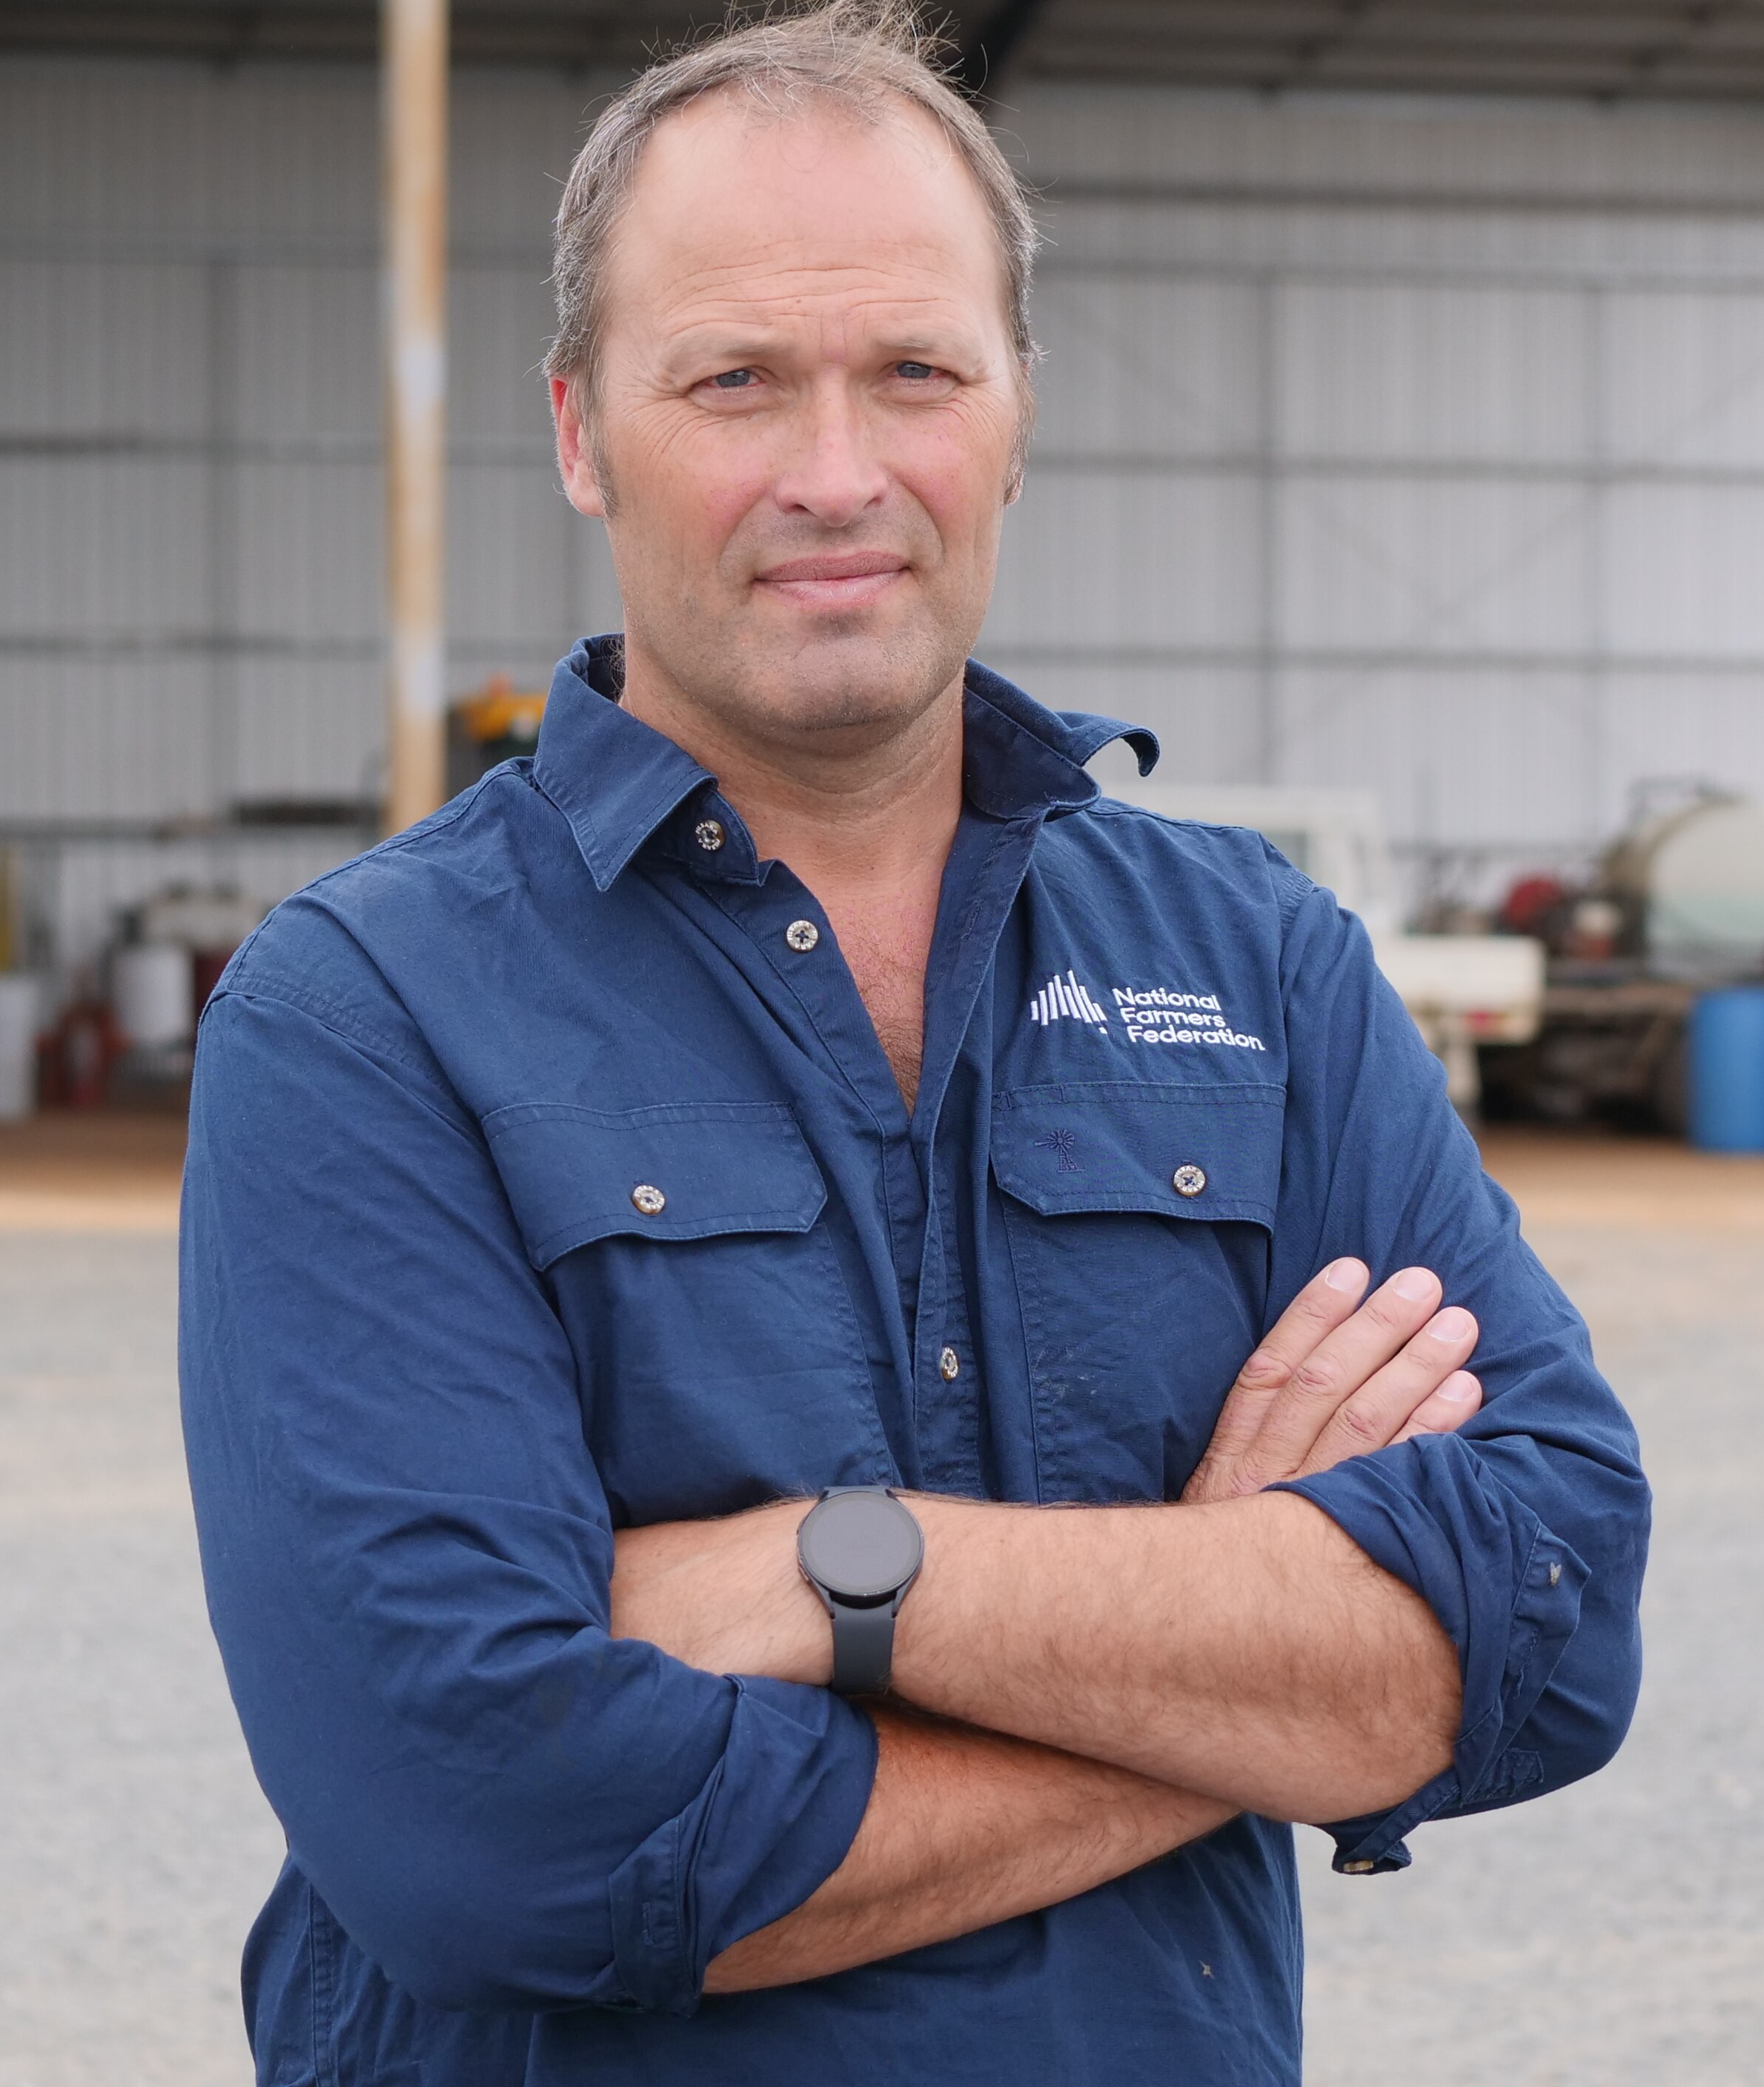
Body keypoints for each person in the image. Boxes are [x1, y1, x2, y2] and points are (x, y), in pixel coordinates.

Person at [177, 5, 1648, 2077]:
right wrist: (1241, 1682)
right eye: (736, 382)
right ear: (586, 431)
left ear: (1019, 408)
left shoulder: (1261, 968)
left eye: (916, 373)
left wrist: (836, 1573)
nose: (837, 474)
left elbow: (1557, 1618)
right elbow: (489, 1828)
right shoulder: (367, 1015)